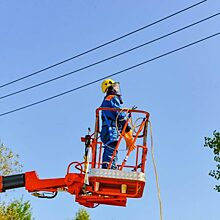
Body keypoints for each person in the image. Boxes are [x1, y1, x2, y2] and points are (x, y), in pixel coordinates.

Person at [100, 78, 136, 169]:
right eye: (115, 87)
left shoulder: (106, 100)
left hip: (107, 128)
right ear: (110, 88)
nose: (117, 89)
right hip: (110, 128)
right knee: (112, 146)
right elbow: (119, 113)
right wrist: (126, 125)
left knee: (111, 146)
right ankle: (109, 166)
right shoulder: (111, 98)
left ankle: (111, 165)